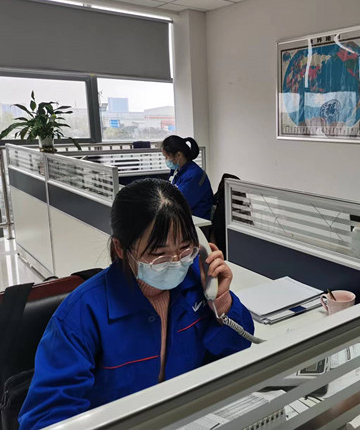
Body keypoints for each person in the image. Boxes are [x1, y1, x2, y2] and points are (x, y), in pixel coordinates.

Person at [18, 179, 254, 430]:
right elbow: (45, 420)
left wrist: (221, 299)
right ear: (121, 248)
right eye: (159, 254)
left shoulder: (198, 282)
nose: (176, 262)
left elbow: (238, 349)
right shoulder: (80, 315)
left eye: (185, 247)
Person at [162, 135, 213, 220]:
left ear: (178, 155)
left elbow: (178, 203)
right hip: (183, 218)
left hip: (197, 221)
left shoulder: (194, 175)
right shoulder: (178, 171)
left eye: (167, 157)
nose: (166, 160)